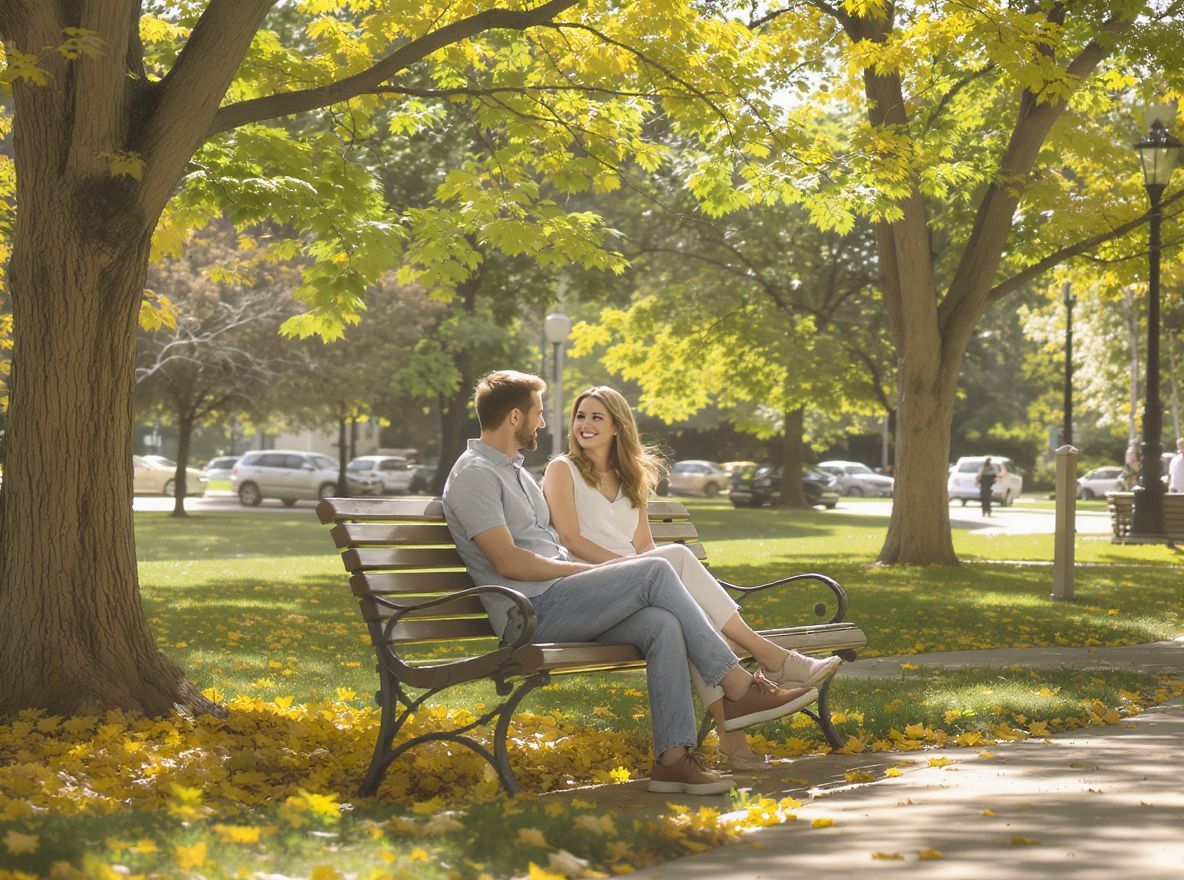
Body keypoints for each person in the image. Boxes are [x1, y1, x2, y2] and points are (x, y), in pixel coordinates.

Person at [442, 371, 820, 796]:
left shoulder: (515, 471)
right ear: (515, 417)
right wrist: (586, 573)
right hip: (530, 613)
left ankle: (673, 761)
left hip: (560, 600)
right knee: (657, 568)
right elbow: (508, 562)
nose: (543, 422)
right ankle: (737, 686)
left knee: (663, 624)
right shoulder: (475, 474)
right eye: (538, 413)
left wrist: (587, 575)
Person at [542, 386, 842, 772]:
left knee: (685, 620)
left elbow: (645, 545)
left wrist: (644, 570)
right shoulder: (562, 469)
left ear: (618, 426)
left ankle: (733, 744)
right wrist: (633, 569)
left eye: (596, 417)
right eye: (580, 416)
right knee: (679, 559)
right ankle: (772, 658)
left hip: (641, 587)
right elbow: (570, 539)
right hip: (594, 590)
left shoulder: (631, 478)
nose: (585, 424)